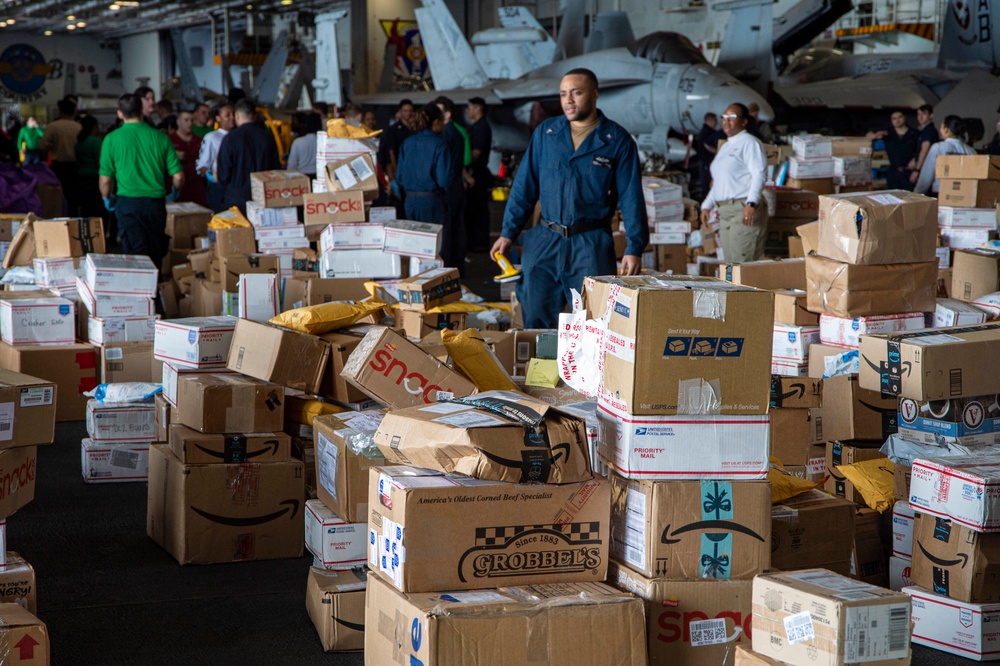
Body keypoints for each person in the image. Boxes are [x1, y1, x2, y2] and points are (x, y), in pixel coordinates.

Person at [491, 68, 647, 329]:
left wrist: (634, 246)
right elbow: (524, 186)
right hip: (544, 242)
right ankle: (541, 370)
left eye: (576, 92)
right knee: (536, 319)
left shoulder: (616, 141)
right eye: (563, 94)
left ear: (595, 95)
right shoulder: (547, 134)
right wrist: (508, 232)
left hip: (590, 245)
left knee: (593, 322)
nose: (568, 100)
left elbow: (631, 197)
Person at [98, 92, 183, 268]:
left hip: (128, 205)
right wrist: (175, 192)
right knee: (155, 253)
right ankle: (156, 292)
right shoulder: (160, 137)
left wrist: (106, 198)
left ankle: (139, 293)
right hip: (155, 205)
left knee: (135, 255)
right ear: (141, 112)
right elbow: (178, 176)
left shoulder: (111, 139)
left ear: (120, 113)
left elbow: (105, 181)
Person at [700, 103, 769, 263]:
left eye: (732, 117)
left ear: (744, 121)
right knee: (731, 265)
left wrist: (751, 203)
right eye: (724, 117)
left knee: (743, 263)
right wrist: (706, 205)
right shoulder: (725, 147)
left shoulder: (749, 142)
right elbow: (719, 182)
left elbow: (759, 174)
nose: (726, 121)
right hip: (725, 212)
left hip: (742, 209)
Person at [395, 103, 453, 231]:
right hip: (431, 202)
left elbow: (399, 176)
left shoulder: (407, 143)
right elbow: (444, 179)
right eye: (442, 122)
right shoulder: (439, 144)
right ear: (436, 122)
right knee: (433, 246)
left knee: (414, 244)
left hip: (409, 201)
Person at [216, 98, 280, 213]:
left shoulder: (230, 139)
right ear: (254, 116)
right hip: (263, 198)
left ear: (237, 116)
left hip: (236, 201)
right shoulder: (267, 137)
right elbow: (276, 169)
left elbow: (223, 175)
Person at [433, 96, 468, 269]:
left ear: (447, 114)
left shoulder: (445, 134)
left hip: (449, 188)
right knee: (456, 229)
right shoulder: (457, 132)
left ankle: (450, 268)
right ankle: (457, 266)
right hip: (456, 186)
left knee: (448, 232)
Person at [38, 98, 82, 214]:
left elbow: (42, 146)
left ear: (60, 111)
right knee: (73, 199)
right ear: (74, 111)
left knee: (58, 198)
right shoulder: (79, 127)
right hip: (75, 167)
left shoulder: (53, 126)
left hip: (58, 167)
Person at [914, 115, 976, 195]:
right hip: (965, 194)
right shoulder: (971, 151)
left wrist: (916, 195)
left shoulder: (939, 147)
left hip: (941, 193)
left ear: (946, 130)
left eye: (941, 127)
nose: (940, 130)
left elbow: (926, 175)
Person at [465, 96, 493, 252]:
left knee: (478, 210)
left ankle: (480, 243)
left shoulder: (481, 128)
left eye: (470, 107)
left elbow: (475, 154)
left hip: (478, 174)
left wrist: (463, 165)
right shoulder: (476, 127)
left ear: (478, 108)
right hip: (477, 173)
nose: (468, 111)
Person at [196, 102, 235, 212]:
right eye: (227, 115)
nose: (232, 118)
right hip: (219, 189)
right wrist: (212, 176)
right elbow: (202, 165)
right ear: (218, 118)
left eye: (233, 114)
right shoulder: (212, 137)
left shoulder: (239, 136)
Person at [871, 111, 920, 190]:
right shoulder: (887, 133)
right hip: (893, 172)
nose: (897, 120)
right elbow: (868, 136)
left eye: (899, 117)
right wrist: (876, 135)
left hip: (909, 172)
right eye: (894, 118)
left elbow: (920, 151)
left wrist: (916, 165)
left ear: (904, 118)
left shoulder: (915, 134)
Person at [169, 107, 207, 206]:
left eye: (192, 120)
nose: (189, 123)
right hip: (177, 189)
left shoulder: (199, 141)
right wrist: (173, 156)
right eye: (186, 120)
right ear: (178, 122)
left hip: (197, 188)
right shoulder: (169, 140)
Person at [75, 115, 105, 223]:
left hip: (81, 178)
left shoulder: (79, 142)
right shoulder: (96, 142)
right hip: (95, 179)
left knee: (86, 209)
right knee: (97, 209)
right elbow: (102, 162)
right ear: (94, 127)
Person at [286, 111, 321, 179]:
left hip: (302, 177)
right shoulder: (323, 141)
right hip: (319, 176)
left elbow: (292, 165)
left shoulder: (298, 142)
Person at [910, 104, 939, 185]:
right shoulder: (924, 130)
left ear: (931, 115)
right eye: (919, 114)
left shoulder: (929, 130)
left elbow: (924, 150)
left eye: (924, 114)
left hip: (926, 168)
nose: (920, 117)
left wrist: (917, 170)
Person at [696, 112, 719, 198]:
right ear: (709, 120)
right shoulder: (708, 133)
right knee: (707, 186)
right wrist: (717, 152)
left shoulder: (703, 132)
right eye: (715, 120)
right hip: (706, 162)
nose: (717, 122)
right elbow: (706, 145)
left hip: (705, 163)